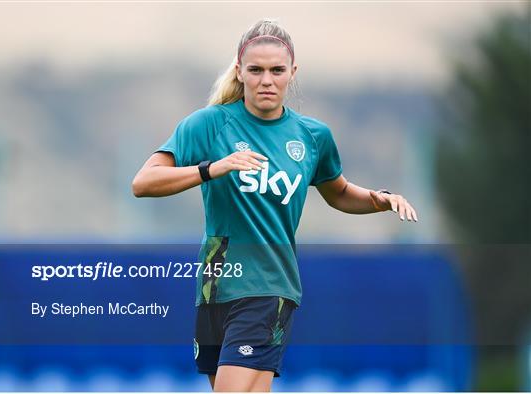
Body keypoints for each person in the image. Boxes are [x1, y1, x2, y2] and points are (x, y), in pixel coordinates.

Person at [132, 18, 418, 392]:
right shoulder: (209, 126)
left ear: (292, 73)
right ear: (240, 71)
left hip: (269, 287)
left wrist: (377, 200)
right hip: (214, 288)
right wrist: (211, 169)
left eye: (277, 70)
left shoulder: (313, 136)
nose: (267, 80)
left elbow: (338, 192)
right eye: (256, 70)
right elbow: (143, 183)